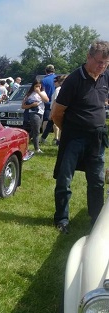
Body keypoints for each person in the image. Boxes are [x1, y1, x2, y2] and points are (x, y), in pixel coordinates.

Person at [52, 40, 109, 234]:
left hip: (97, 139)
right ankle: (61, 219)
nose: (102, 66)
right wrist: (69, 131)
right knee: (64, 179)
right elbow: (57, 113)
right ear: (88, 57)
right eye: (99, 61)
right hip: (74, 138)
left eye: (106, 62)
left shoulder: (105, 77)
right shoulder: (74, 80)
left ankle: (95, 219)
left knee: (97, 180)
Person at [21, 78, 49, 154]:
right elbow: (23, 106)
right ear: (33, 86)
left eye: (39, 86)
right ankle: (37, 148)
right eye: (36, 86)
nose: (37, 88)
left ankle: (23, 142)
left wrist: (39, 92)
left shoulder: (42, 92)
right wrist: (31, 105)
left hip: (41, 112)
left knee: (33, 130)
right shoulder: (29, 94)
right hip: (33, 113)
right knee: (37, 131)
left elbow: (46, 100)